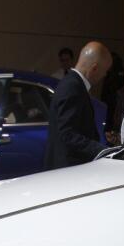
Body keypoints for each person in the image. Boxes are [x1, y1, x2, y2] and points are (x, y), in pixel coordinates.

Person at [44, 41, 111, 170]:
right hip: (68, 170)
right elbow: (68, 134)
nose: (105, 75)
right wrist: (102, 150)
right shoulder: (72, 88)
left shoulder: (71, 83)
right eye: (105, 71)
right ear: (94, 68)